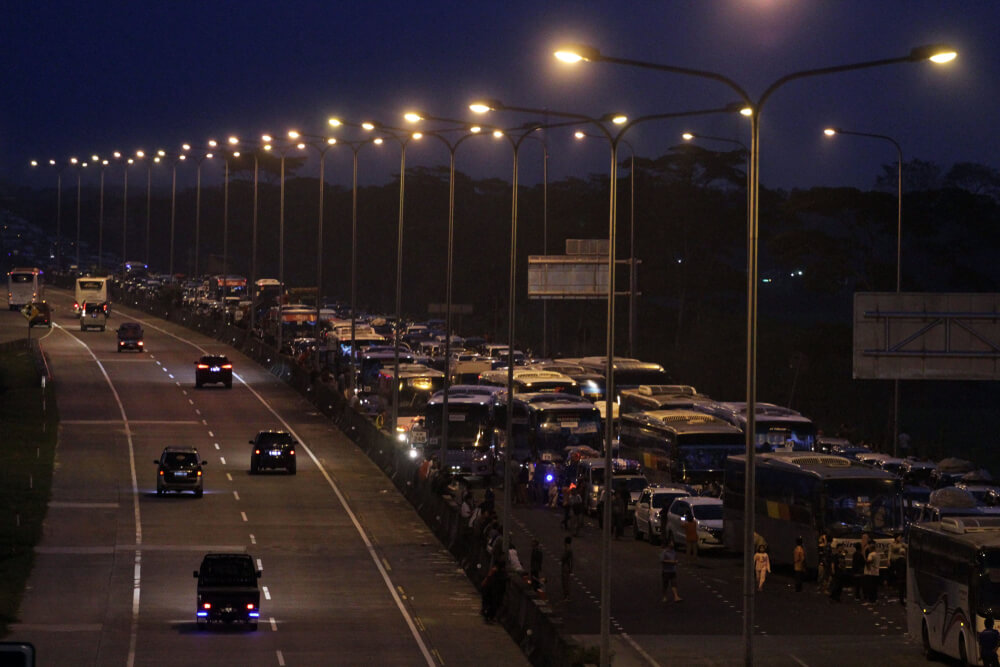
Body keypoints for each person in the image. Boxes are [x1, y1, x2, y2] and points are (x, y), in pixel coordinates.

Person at [888, 533, 907, 604]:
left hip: (900, 562)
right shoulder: (893, 544)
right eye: (899, 537)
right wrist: (888, 560)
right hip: (895, 561)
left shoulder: (902, 544)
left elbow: (907, 547)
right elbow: (890, 552)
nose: (900, 538)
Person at [560, 536, 574, 601]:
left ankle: (566, 596)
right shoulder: (569, 549)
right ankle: (566, 595)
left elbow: (563, 558)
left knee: (565, 582)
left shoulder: (567, 549)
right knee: (566, 582)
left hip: (565, 566)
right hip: (567, 566)